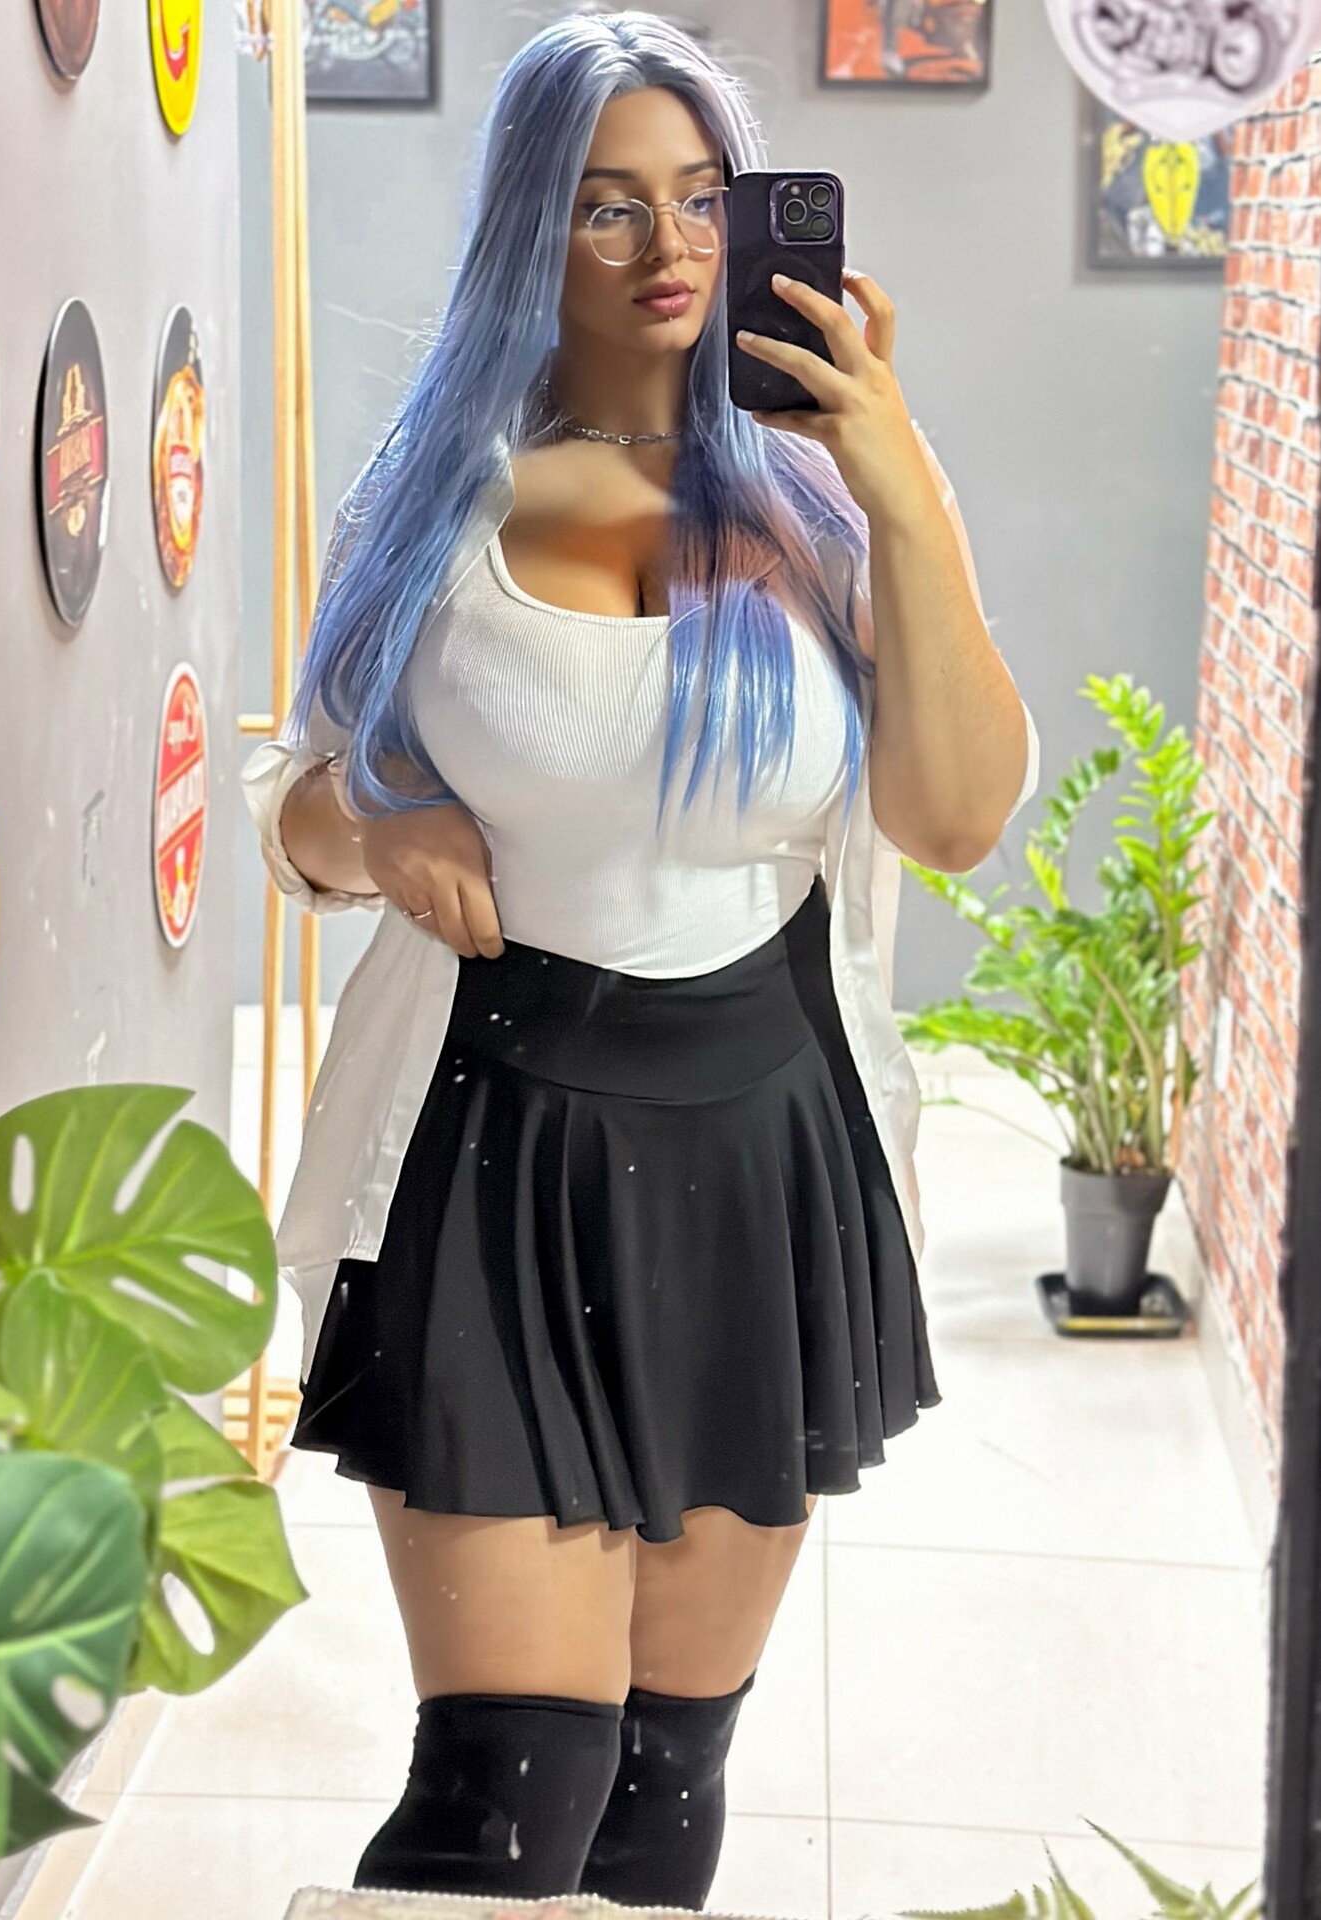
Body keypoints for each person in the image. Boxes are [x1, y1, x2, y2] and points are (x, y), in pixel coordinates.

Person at [242, 10, 1038, 1909]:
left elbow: (954, 816)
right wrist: (377, 827)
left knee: (664, 1789)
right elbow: (291, 802)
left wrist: (899, 480)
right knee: (502, 1798)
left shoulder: (828, 514)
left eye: (699, 199)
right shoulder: (436, 503)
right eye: (606, 207)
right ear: (534, 228)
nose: (667, 247)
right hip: (489, 1155)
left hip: (766, 1156)